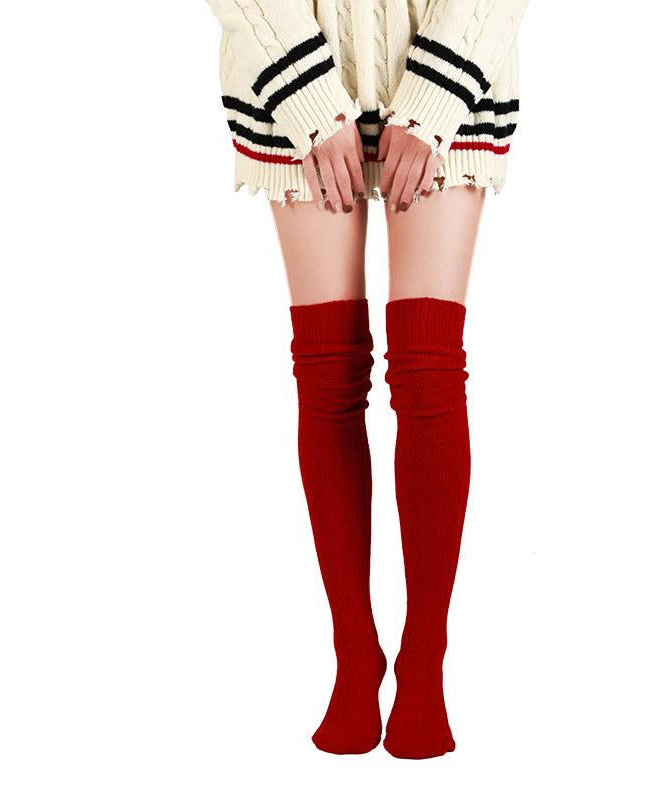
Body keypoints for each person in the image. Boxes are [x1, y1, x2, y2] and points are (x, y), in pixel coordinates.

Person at [202, 0, 530, 760]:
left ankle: (424, 660)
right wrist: (309, 99)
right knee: (327, 371)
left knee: (428, 368)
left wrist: (435, 98)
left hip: (452, 59)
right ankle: (355, 652)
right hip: (293, 67)